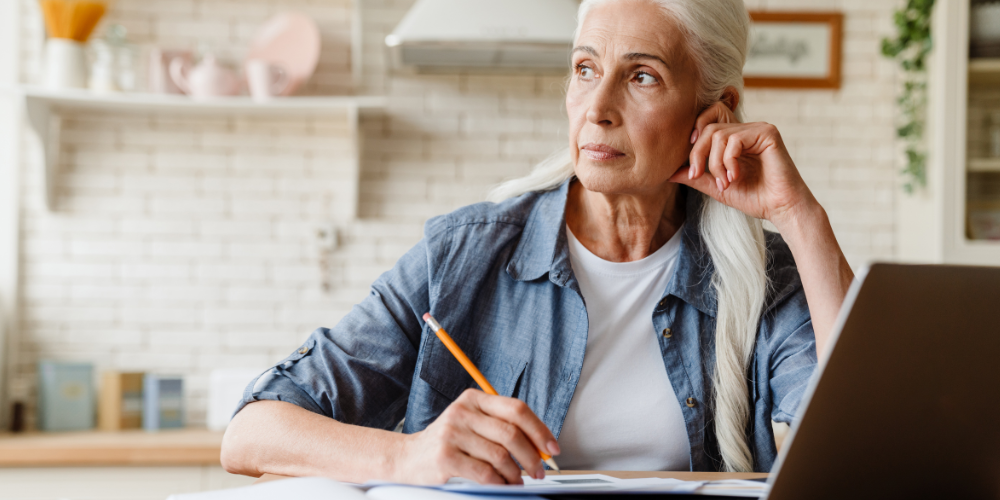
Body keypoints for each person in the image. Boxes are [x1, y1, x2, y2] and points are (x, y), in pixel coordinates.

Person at [220, 0, 854, 484]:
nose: (596, 108)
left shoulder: (760, 280)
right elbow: (250, 434)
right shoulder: (466, 256)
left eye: (642, 77)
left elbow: (866, 446)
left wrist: (798, 215)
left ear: (714, 111)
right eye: (585, 69)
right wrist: (408, 454)